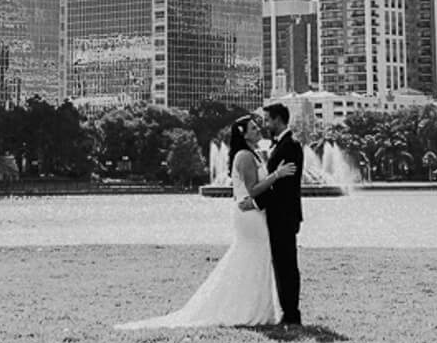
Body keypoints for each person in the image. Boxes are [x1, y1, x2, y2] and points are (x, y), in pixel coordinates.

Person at [116, 116, 297, 329]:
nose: (259, 130)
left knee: (256, 257)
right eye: (253, 128)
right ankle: (246, 309)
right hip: (249, 216)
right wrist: (277, 175)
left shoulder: (252, 154)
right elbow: (252, 191)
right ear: (243, 134)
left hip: (254, 214)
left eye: (257, 127)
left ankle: (257, 308)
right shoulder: (245, 156)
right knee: (252, 256)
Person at [256, 101, 304, 328]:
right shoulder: (282, 145)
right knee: (282, 263)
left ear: (277, 119)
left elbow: (283, 187)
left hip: (283, 215)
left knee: (286, 265)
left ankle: (292, 313)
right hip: (280, 214)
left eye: (267, 120)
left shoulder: (290, 146)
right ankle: (288, 310)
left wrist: (257, 201)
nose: (266, 125)